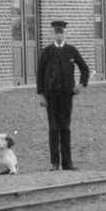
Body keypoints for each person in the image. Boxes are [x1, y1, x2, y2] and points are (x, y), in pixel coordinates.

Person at [37, 20, 90, 171]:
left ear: (65, 33)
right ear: (52, 34)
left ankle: (67, 162)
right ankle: (54, 162)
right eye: (56, 32)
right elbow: (40, 74)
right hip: (51, 96)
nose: (59, 35)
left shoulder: (71, 50)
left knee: (65, 128)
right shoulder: (47, 52)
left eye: (61, 32)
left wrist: (81, 85)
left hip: (66, 95)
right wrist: (41, 94)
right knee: (53, 127)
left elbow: (84, 68)